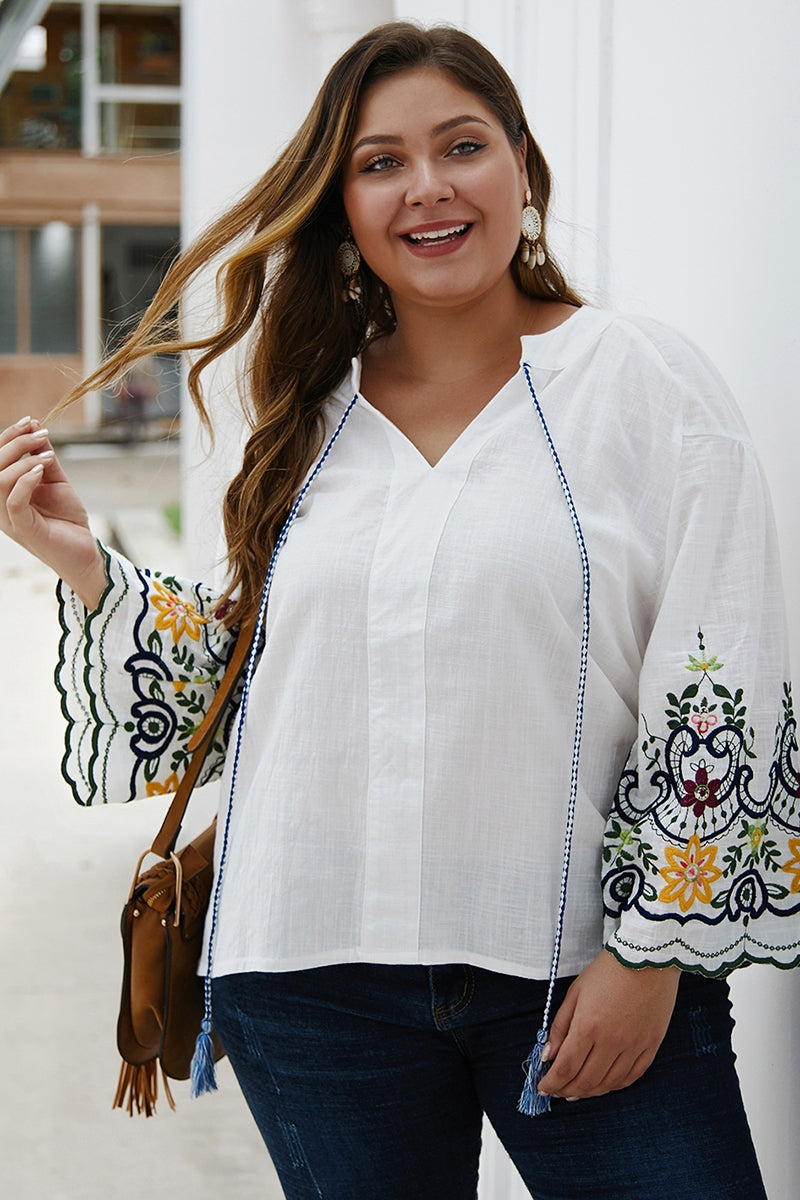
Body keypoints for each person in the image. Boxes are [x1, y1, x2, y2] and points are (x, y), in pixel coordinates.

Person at [0, 21, 797, 1200]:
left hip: (577, 964)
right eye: (378, 162)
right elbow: (264, 680)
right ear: (344, 207)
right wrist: (87, 568)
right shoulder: (302, 414)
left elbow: (720, 667)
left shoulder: (640, 383)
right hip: (309, 979)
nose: (424, 188)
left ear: (519, 167)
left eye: (459, 146)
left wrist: (648, 955)